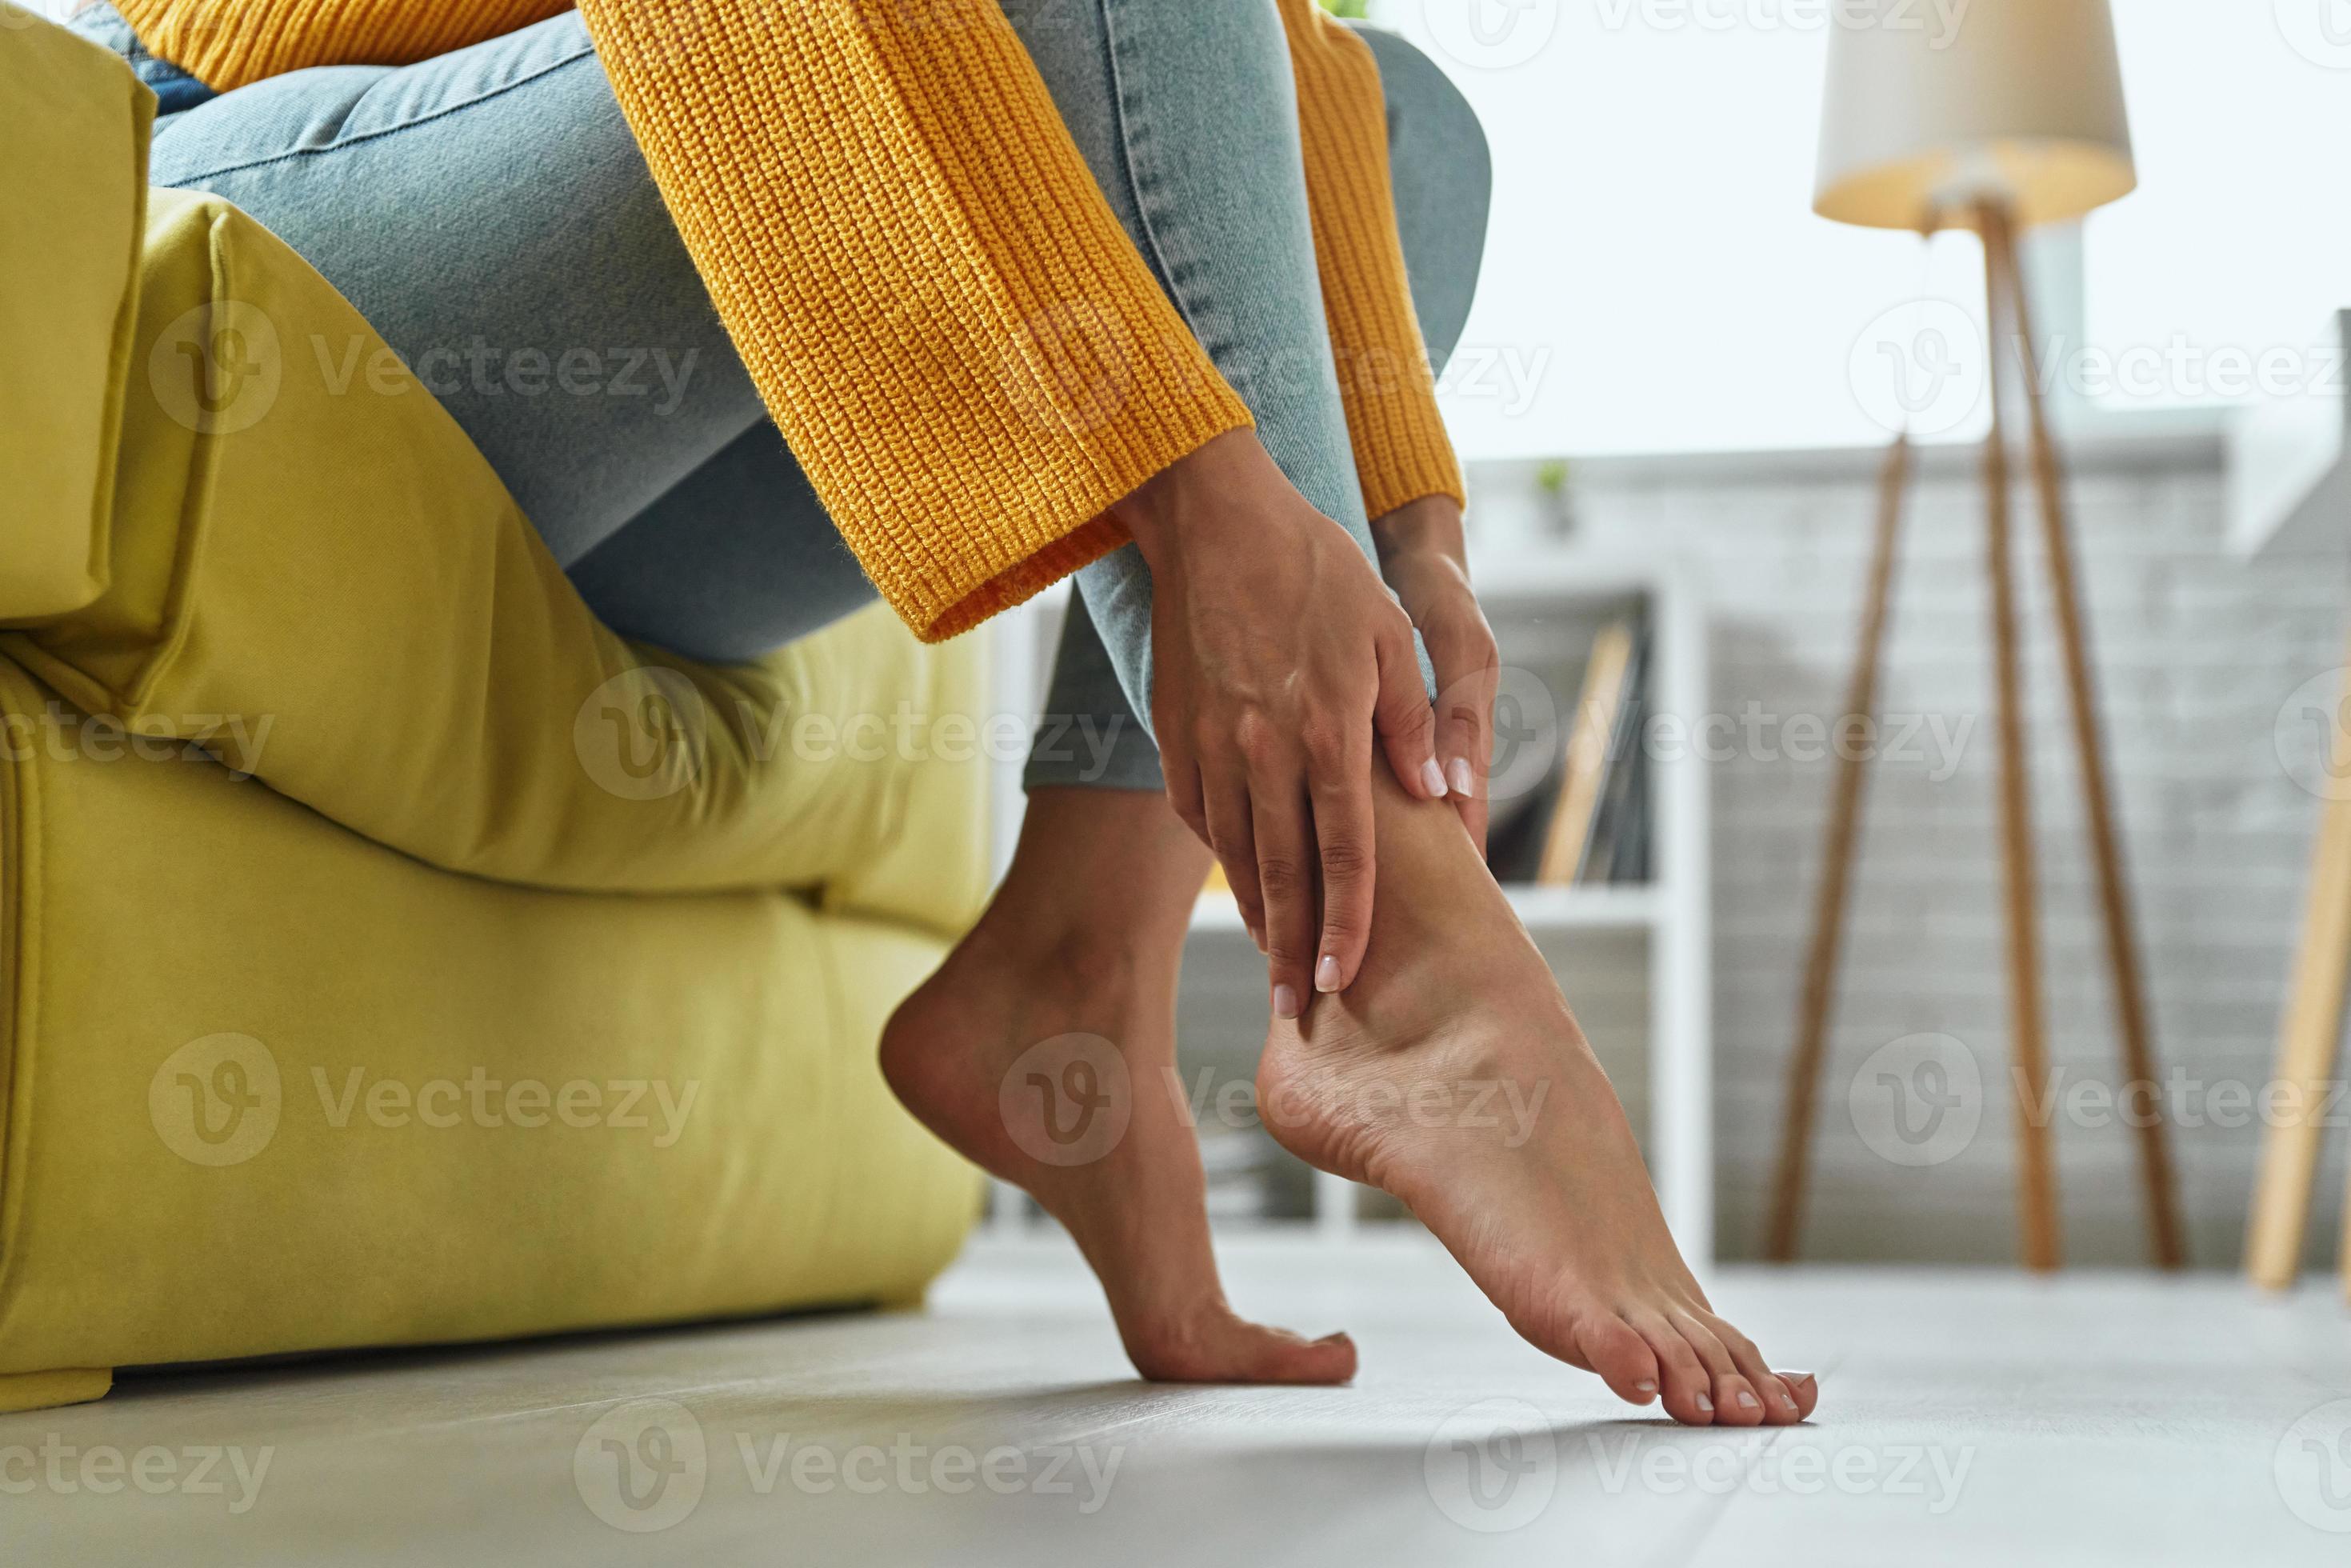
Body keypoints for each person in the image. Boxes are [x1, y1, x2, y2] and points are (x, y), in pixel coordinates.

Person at [71, 0, 1817, 1427]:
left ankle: (1080, 971)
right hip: (235, 196)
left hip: (642, 407)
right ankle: (1413, 972)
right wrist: (1202, 489)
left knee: (1403, 120)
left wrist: (1407, 528)